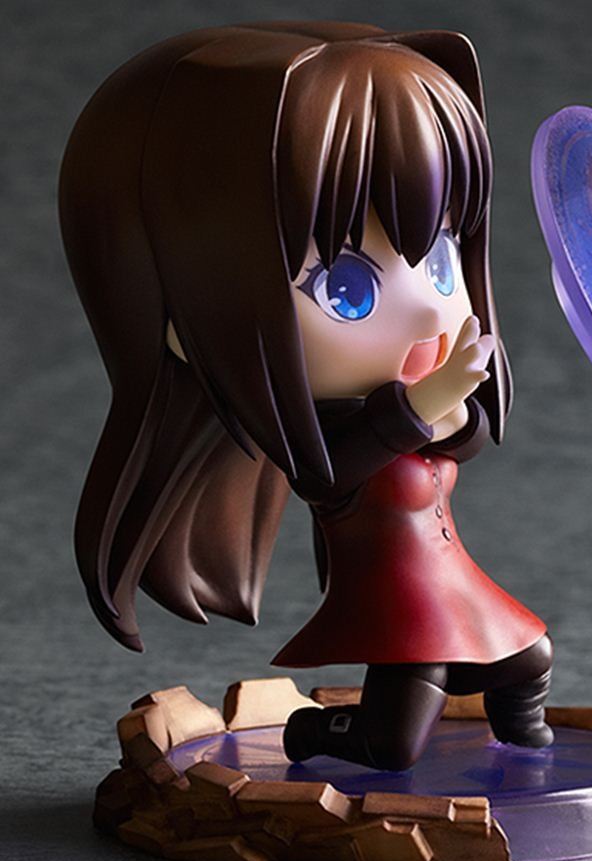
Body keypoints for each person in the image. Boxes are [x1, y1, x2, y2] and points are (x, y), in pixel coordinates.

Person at [60, 21, 553, 771]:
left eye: (441, 258)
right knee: (395, 744)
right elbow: (333, 474)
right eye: (346, 289)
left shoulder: (415, 397)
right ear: (184, 321)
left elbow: (460, 439)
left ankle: (528, 749)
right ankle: (313, 735)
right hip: (399, 606)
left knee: (529, 658)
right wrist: (423, 407)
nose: (429, 311)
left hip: (452, 584)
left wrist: (454, 406)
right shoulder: (327, 445)